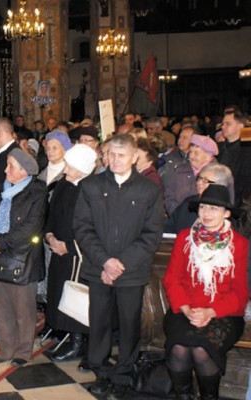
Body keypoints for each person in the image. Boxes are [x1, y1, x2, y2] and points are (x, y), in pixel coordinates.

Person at [74, 134, 164, 400]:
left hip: (131, 271)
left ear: (134, 157)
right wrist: (105, 260)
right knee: (99, 322)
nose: (115, 160)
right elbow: (82, 226)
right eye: (111, 154)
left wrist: (121, 264)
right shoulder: (90, 185)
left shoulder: (148, 189)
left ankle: (124, 374)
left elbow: (152, 233)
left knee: (129, 324)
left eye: (121, 155)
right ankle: (101, 372)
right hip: (98, 267)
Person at [163, 184, 248, 400]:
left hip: (224, 314)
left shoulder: (241, 244)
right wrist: (186, 308)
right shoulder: (184, 238)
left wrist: (210, 312)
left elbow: (240, 293)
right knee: (179, 348)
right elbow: (172, 279)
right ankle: (184, 396)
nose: (207, 214)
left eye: (214, 209)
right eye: (203, 208)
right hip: (184, 309)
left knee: (202, 350)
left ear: (226, 213)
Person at [0, 148, 47, 368]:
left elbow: (31, 227)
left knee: (23, 311)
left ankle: (23, 351)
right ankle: (6, 349)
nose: (5, 169)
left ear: (24, 171)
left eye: (10, 165)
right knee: (1, 308)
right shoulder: (1, 189)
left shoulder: (37, 192)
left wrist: (1, 243)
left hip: (22, 258)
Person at [45, 144, 97, 362]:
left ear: (83, 168)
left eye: (70, 166)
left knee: (79, 300)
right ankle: (69, 337)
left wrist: (70, 246)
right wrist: (49, 236)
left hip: (81, 255)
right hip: (59, 251)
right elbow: (52, 214)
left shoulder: (93, 190)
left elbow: (97, 227)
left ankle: (79, 344)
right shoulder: (62, 186)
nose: (65, 169)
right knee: (60, 295)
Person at [218, 108, 251, 207]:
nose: (223, 127)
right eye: (222, 124)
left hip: (237, 202)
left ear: (240, 126)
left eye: (228, 124)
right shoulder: (219, 147)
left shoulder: (247, 150)